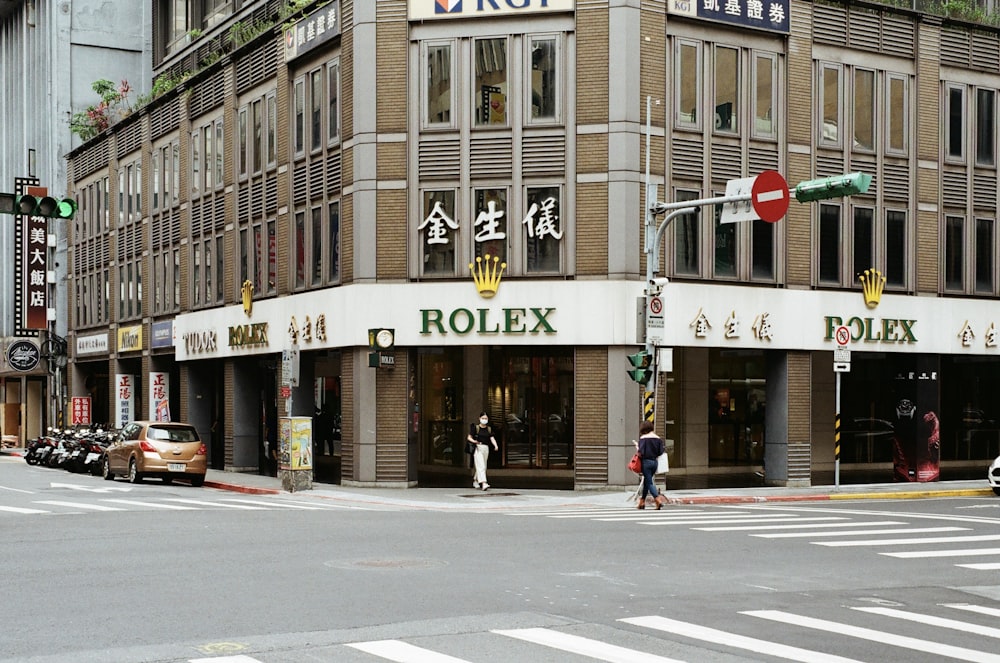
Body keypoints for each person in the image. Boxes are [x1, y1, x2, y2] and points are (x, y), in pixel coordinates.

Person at [634, 421, 667, 509]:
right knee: (647, 482)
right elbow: (661, 452)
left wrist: (637, 446)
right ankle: (642, 502)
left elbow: (641, 452)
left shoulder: (643, 438)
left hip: (646, 462)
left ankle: (658, 499)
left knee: (649, 482)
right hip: (655, 462)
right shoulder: (658, 438)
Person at [467, 411, 498, 491]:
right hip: (478, 447)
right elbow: (469, 437)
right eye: (483, 418)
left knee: (483, 465)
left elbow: (492, 438)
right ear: (479, 418)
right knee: (481, 466)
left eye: (486, 418)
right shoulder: (476, 428)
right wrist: (474, 441)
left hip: (485, 448)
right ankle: (484, 483)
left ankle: (475, 480)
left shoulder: (489, 429)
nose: (484, 420)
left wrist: (495, 445)